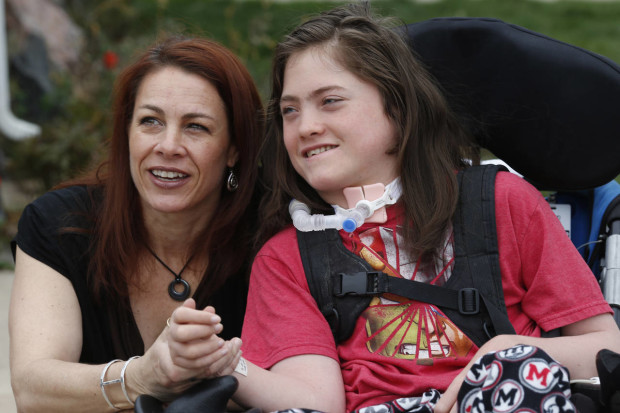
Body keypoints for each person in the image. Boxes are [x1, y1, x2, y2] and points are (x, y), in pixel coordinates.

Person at [223, 3, 620, 413]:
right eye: (290, 110)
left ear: (397, 108)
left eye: (330, 101)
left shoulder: (503, 204)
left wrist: (507, 352)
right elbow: (314, 404)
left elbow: (609, 347)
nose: (305, 126)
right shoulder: (287, 257)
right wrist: (222, 363)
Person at [8, 35, 264, 412]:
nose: (168, 145)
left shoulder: (271, 227)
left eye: (196, 126)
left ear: (234, 149)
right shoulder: (59, 225)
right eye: (150, 121)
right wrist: (143, 377)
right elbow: (33, 389)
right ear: (127, 134)